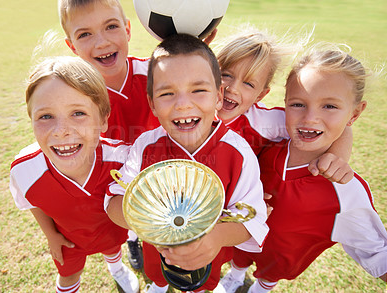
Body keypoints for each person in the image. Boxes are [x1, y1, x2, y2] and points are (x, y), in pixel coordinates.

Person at [104, 34, 269, 293]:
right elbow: (114, 203)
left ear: (218, 96)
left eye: (198, 90)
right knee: (158, 276)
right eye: (167, 93)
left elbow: (253, 219)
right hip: (156, 250)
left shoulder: (238, 153)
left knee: (201, 285)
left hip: (207, 256)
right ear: (152, 104)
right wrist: (154, 227)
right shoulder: (146, 145)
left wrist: (215, 238)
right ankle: (157, 286)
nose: (183, 104)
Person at [216, 47, 387, 293]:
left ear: (355, 113)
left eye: (329, 106)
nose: (310, 118)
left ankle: (260, 288)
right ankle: (235, 276)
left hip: (284, 254)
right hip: (246, 233)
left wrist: (338, 155)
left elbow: (378, 253)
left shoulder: (346, 191)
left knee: (271, 272)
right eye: (298, 104)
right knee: (240, 255)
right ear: (285, 104)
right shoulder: (269, 146)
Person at [9, 56, 139, 293]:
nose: (61, 131)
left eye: (78, 113)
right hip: (68, 238)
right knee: (68, 276)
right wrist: (50, 235)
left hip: (109, 230)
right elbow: (31, 201)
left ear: (102, 119)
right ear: (31, 119)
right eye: (45, 116)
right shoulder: (25, 169)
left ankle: (117, 268)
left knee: (112, 249)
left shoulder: (124, 160)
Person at [57, 0, 162, 269]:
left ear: (127, 29)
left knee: (155, 211)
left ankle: (151, 243)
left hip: (154, 165)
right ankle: (131, 240)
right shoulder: (74, 95)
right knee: (120, 214)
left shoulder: (156, 73)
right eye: (85, 34)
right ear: (72, 46)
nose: (101, 42)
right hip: (110, 173)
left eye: (111, 26)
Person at [216, 29, 354, 183]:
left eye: (248, 84)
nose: (233, 88)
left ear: (260, 95)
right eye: (226, 75)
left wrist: (336, 157)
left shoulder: (262, 121)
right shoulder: (190, 103)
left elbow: (340, 128)